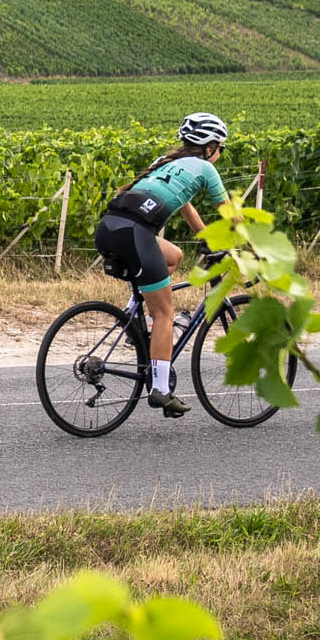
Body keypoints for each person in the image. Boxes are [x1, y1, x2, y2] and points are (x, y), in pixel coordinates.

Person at [93, 114, 232, 416]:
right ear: (209, 147)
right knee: (164, 313)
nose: (220, 153)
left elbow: (186, 208)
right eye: (221, 147)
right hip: (137, 236)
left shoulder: (166, 163)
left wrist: (208, 238)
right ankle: (161, 390)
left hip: (109, 229)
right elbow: (232, 217)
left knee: (175, 257)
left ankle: (135, 316)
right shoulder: (206, 168)